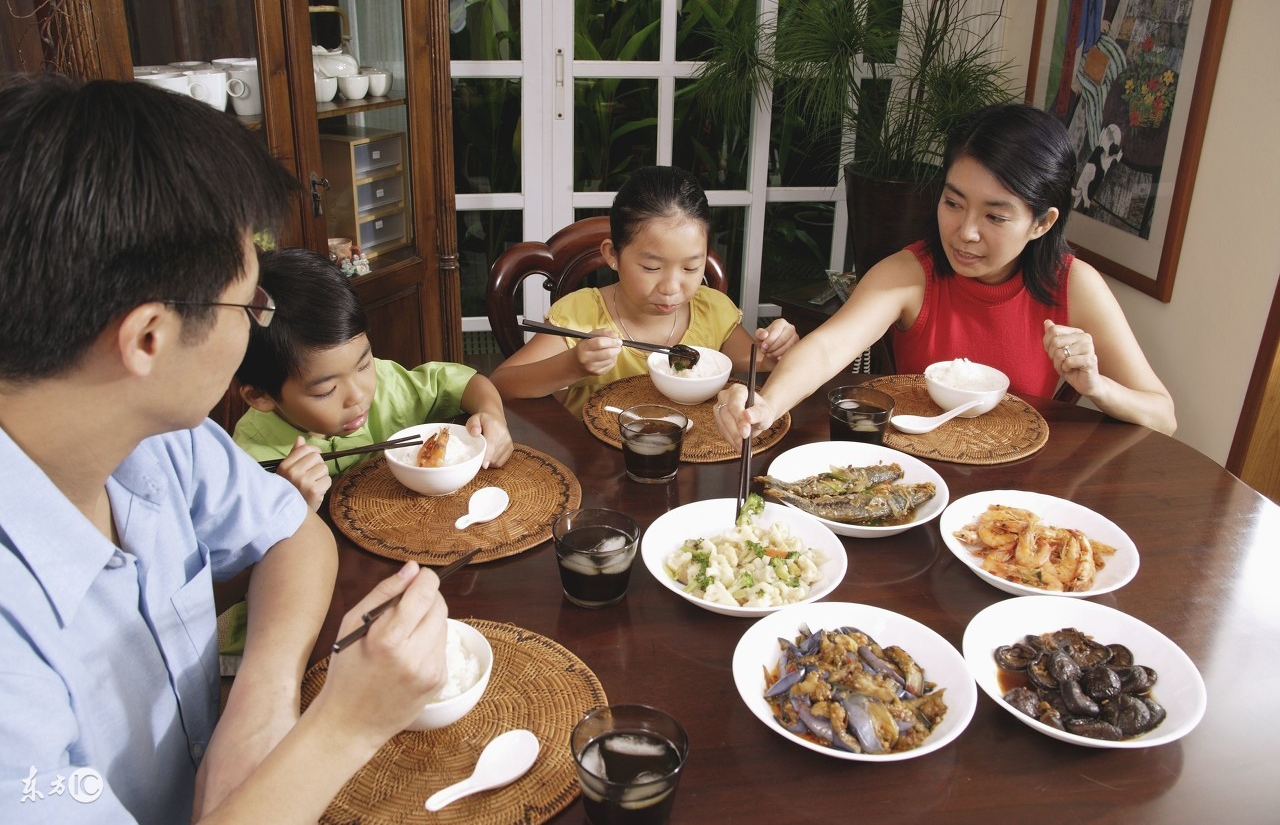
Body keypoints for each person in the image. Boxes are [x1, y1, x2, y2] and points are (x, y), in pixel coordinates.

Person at [0, 75, 451, 823]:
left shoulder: (157, 439)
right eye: (250, 305)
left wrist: (259, 703)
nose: (258, 322)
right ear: (149, 337)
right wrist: (346, 723)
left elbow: (295, 535)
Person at [714, 103, 1176, 442]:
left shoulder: (1074, 284)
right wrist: (766, 405)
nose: (965, 232)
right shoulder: (911, 273)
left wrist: (1097, 387)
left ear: (1042, 223)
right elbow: (828, 348)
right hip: (913, 477)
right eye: (953, 202)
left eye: (995, 217)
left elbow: (1163, 416)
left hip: (1022, 493)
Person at [489, 165, 799, 414]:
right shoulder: (581, 316)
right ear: (612, 255)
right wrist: (572, 365)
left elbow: (763, 361)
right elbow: (502, 384)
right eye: (651, 268)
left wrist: (779, 345)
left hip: (692, 457)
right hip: (596, 467)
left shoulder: (712, 309)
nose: (671, 288)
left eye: (692, 267)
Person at [233, 248, 514, 511]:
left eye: (363, 364)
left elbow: (466, 383)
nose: (358, 395)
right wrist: (290, 510)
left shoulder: (387, 385)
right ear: (261, 396)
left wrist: (491, 414)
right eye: (326, 390)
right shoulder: (248, 460)